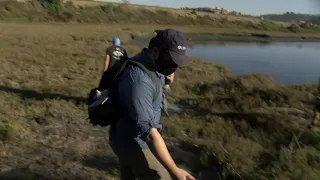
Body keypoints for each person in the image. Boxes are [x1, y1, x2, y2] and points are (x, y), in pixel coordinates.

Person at [109, 29, 195, 180]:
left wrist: (166, 82)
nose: (174, 66)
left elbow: (152, 94)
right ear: (155, 51)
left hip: (126, 136)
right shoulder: (139, 79)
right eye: (171, 60)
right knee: (163, 177)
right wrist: (175, 171)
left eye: (177, 62)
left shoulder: (152, 64)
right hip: (133, 142)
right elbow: (149, 134)